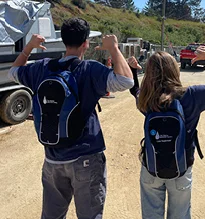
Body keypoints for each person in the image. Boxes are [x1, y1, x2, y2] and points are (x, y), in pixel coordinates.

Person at [8, 17, 134, 218]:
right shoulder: (90, 69)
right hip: (86, 157)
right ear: (86, 43)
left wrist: (29, 47)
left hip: (53, 159)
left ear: (63, 41)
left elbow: (13, 72)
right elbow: (126, 80)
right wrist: (114, 49)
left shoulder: (42, 67)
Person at [128, 46, 205, 218]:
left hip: (151, 167)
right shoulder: (193, 95)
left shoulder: (146, 98)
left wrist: (133, 72)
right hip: (181, 167)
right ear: (175, 69)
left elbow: (134, 90)